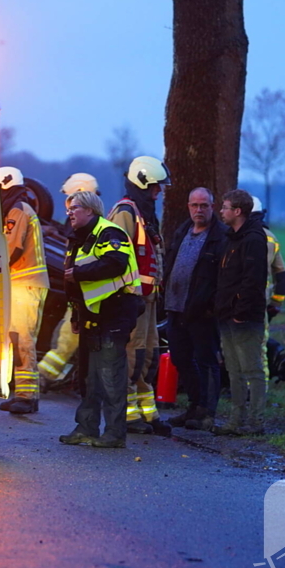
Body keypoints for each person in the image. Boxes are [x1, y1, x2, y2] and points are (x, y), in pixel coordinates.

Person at [58, 190, 142, 448]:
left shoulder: (110, 233)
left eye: (75, 208)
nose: (69, 213)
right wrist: (74, 313)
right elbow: (71, 281)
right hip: (91, 315)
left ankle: (115, 434)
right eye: (69, 208)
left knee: (110, 376)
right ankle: (86, 428)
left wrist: (80, 273)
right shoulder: (78, 238)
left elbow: (115, 264)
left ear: (90, 210)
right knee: (89, 376)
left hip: (115, 312)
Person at [108, 156, 172, 436]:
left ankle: (147, 412)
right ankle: (127, 413)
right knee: (132, 357)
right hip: (132, 299)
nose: (158, 193)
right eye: (156, 187)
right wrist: (127, 295)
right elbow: (116, 257)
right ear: (142, 182)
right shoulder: (126, 212)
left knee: (148, 356)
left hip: (148, 300)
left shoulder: (144, 213)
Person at [162, 187, 229, 430]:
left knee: (207, 360)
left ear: (213, 207)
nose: (198, 210)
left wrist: (211, 307)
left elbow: (223, 278)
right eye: (194, 205)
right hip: (175, 308)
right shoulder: (182, 230)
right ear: (188, 206)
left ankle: (207, 413)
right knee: (181, 358)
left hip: (202, 313)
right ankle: (193, 406)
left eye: (204, 205)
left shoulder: (221, 237)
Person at [37, 172, 100, 385]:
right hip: (83, 288)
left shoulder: (88, 218)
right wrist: (53, 232)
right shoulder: (90, 215)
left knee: (68, 335)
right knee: (68, 332)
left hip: (86, 289)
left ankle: (45, 376)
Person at [214, 189, 269, 435]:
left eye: (225, 207)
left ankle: (255, 422)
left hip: (244, 318)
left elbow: (253, 280)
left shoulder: (254, 240)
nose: (221, 212)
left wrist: (240, 311)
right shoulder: (232, 238)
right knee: (234, 370)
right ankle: (236, 420)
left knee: (252, 370)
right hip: (228, 316)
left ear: (238, 211)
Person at [0, 166, 49, 414]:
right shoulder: (22, 206)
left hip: (24, 283)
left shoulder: (17, 210)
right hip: (23, 283)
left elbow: (11, 248)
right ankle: (23, 393)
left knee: (23, 340)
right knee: (17, 338)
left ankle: (27, 396)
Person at [251, 196, 285, 378]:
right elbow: (282, 276)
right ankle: (258, 391)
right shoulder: (271, 238)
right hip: (261, 304)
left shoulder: (235, 236)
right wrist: (275, 303)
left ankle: (242, 390)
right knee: (258, 349)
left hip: (237, 303)